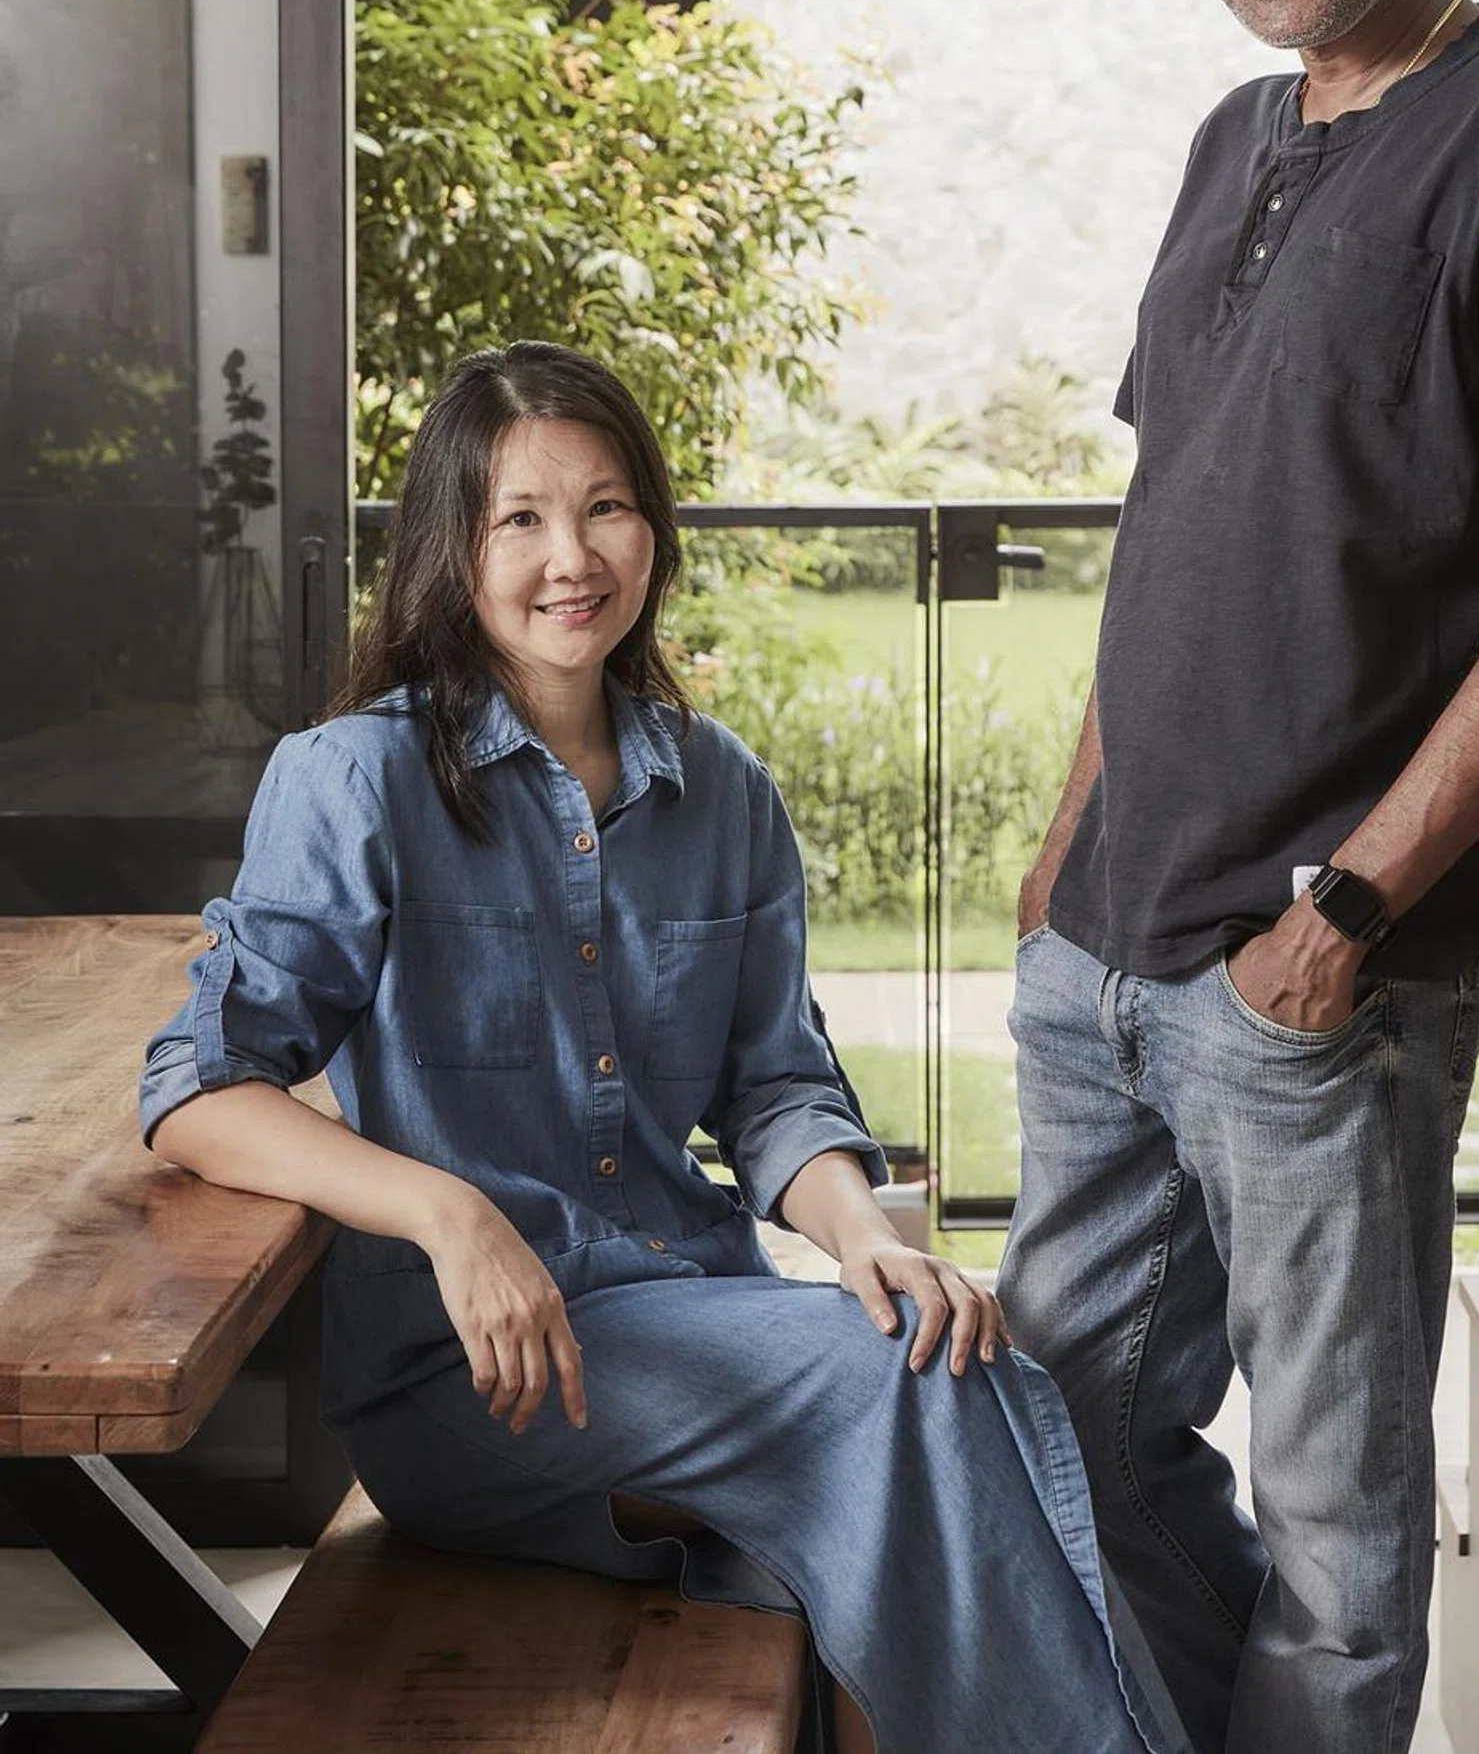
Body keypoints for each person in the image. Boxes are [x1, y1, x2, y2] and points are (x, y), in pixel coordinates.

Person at [142, 342, 1185, 1754]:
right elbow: (201, 1088)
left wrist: (863, 1233)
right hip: (476, 1377)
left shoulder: (727, 792)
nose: (570, 555)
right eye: (520, 517)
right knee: (920, 1380)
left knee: (908, 1399)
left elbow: (777, 1085)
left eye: (607, 506)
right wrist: (447, 1211)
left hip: (695, 1318)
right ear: (457, 547)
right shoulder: (354, 780)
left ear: (655, 531)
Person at [998, 0, 1479, 1754]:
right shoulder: (1237, 139)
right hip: (1107, 946)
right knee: (1053, 1443)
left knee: (1341, 1528)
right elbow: (1175, 515)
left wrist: (1351, 913)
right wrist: (1066, 834)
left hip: (1320, 976)